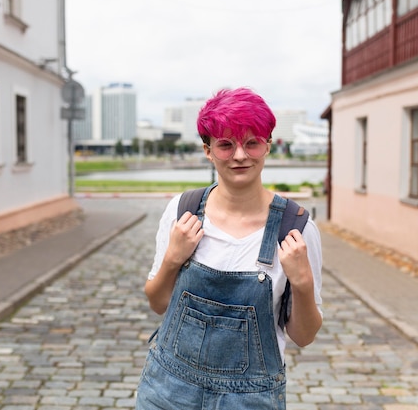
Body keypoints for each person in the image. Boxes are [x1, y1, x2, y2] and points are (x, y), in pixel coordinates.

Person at [136, 87, 323, 410]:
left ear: (268, 147)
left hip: (251, 399)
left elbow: (304, 336)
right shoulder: (182, 211)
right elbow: (157, 302)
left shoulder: (296, 229)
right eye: (226, 145)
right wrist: (172, 259)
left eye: (252, 143)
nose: (240, 156)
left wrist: (303, 284)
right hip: (167, 393)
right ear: (208, 151)